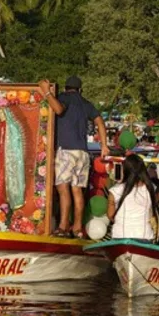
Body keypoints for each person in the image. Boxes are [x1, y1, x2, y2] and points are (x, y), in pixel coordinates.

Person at [42, 76, 110, 239]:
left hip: (66, 150)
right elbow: (100, 122)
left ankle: (63, 226)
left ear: (66, 88)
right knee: (77, 190)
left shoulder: (64, 98)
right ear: (80, 90)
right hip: (83, 152)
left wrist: (46, 93)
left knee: (63, 189)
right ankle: (78, 228)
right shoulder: (85, 103)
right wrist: (104, 145)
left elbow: (58, 109)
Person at [108, 155, 156, 241]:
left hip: (120, 235)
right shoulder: (150, 188)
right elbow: (151, 213)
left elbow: (110, 215)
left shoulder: (115, 190)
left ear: (125, 170)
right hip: (144, 235)